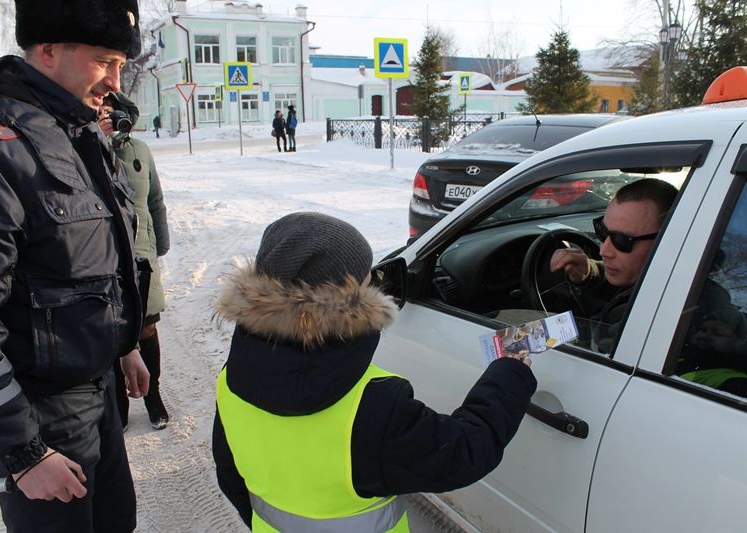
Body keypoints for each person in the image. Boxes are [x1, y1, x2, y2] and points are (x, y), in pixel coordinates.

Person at [212, 212, 536, 531]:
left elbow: (230, 476)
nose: (375, 287)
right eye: (368, 280)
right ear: (344, 301)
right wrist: (509, 370)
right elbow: (463, 452)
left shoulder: (231, 380)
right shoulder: (374, 403)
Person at [0, 1, 149, 532]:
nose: (116, 82)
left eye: (121, 64)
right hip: (40, 417)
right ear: (47, 49)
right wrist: (23, 452)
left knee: (117, 523)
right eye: (104, 61)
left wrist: (124, 344)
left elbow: (95, 257)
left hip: (98, 395)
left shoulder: (73, 128)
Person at [100, 92, 171, 431]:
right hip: (103, 253)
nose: (107, 117)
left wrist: (161, 243)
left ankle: (153, 392)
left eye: (110, 111)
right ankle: (119, 402)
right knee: (111, 330)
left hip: (142, 252)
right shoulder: (79, 145)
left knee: (147, 326)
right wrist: (96, 141)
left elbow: (155, 200)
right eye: (99, 112)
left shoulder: (140, 150)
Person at [550, 178, 678, 352]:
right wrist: (590, 275)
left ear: (665, 241)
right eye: (602, 231)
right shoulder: (656, 281)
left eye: (621, 240)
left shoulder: (664, 321)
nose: (604, 251)